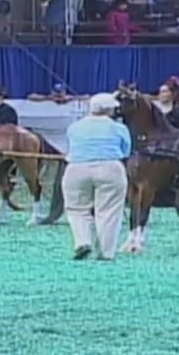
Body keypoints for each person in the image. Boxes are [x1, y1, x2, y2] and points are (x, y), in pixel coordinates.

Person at [62, 92, 131, 261]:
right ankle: (106, 252)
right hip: (110, 167)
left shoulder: (75, 127)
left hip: (76, 168)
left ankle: (82, 242)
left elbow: (70, 146)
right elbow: (125, 150)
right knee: (108, 210)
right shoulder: (119, 128)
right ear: (110, 110)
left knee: (76, 208)